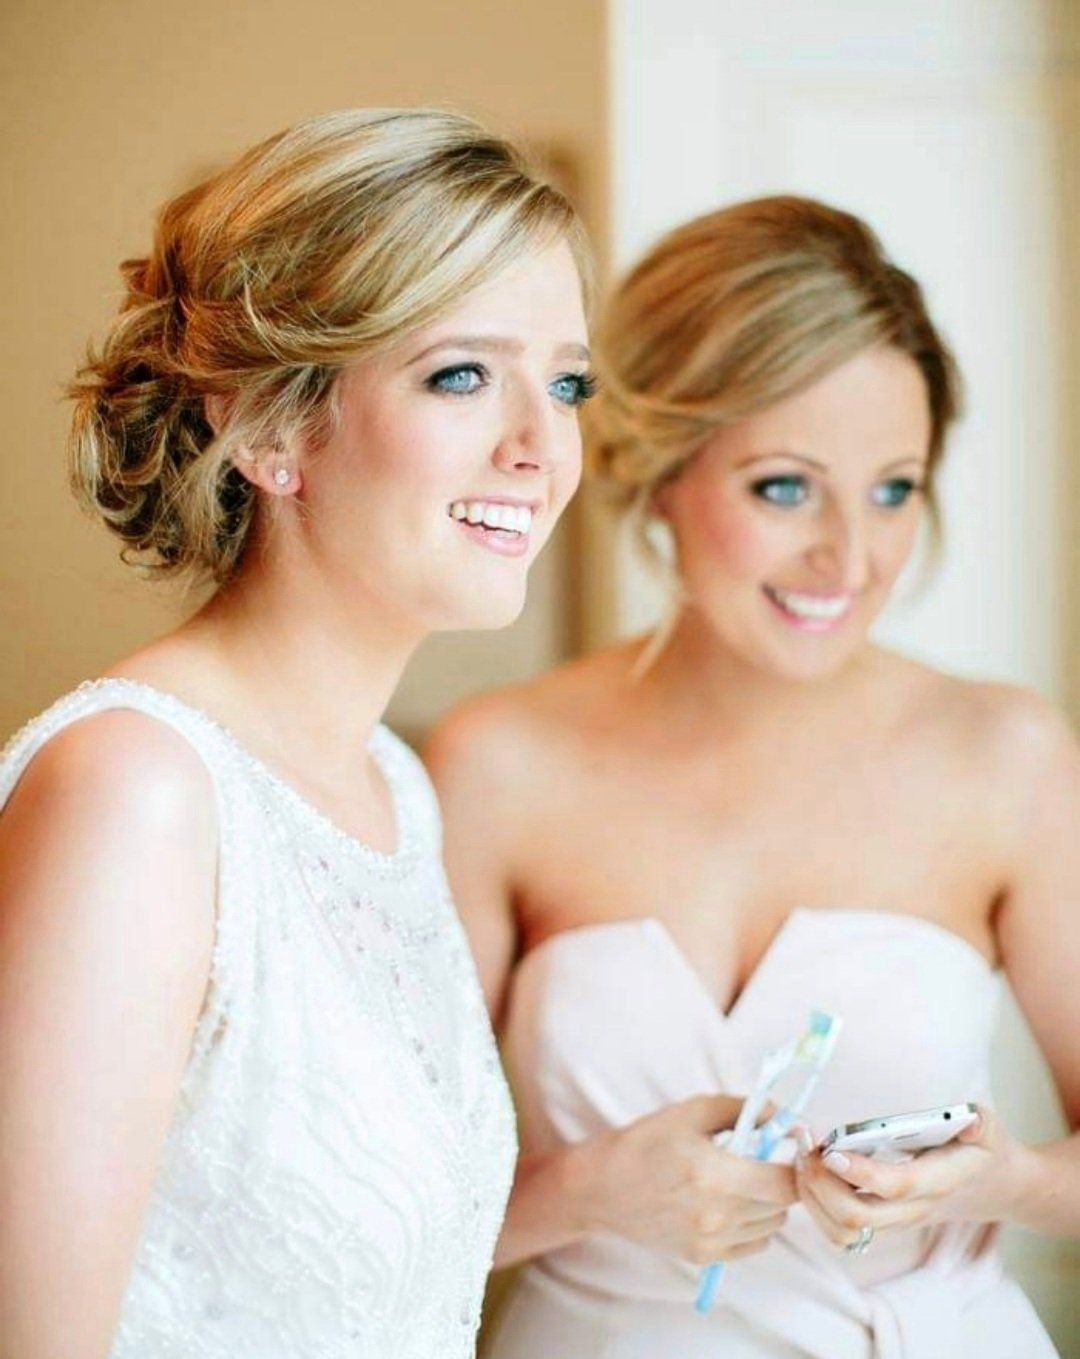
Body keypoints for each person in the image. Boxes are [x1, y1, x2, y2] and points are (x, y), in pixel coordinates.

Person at [427, 196, 1079, 1357]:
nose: (851, 556)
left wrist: (1004, 1179)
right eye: (785, 487)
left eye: (894, 489)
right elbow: (371, 1210)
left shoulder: (1009, 757)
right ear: (657, 472)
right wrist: (590, 1191)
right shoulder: (496, 768)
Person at [0, 107, 593, 1359]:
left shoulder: (390, 788)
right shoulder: (135, 793)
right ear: (269, 429)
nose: (543, 446)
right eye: (464, 374)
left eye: (569, 381)